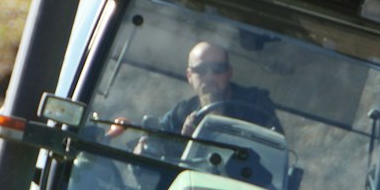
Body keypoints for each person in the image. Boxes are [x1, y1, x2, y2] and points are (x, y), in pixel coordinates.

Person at [107, 41, 282, 142]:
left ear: (229, 73)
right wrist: (184, 139)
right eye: (201, 70)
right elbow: (157, 150)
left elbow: (275, 147)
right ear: (189, 76)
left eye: (217, 69)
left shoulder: (256, 104)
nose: (209, 76)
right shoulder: (179, 114)